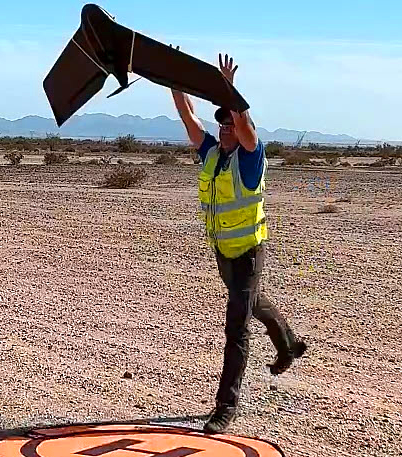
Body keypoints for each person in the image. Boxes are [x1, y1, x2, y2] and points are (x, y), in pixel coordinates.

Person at [170, 53, 308, 433]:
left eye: (231, 120)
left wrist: (230, 92)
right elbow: (189, 118)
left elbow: (247, 127)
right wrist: (174, 83)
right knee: (253, 303)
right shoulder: (212, 154)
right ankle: (290, 345)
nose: (226, 126)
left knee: (237, 326)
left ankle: (225, 408)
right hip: (223, 251)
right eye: (223, 122)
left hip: (248, 251)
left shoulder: (250, 158)